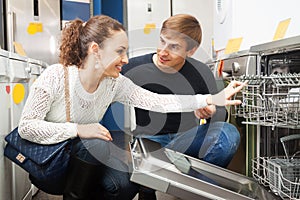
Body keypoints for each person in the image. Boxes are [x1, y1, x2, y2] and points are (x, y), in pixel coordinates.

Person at [18, 15, 245, 200]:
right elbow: (26, 127)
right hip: (51, 160)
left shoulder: (115, 83)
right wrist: (77, 129)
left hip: (90, 156)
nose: (126, 59)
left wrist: (208, 100)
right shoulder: (56, 76)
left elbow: (157, 101)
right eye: (120, 51)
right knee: (94, 141)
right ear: (96, 50)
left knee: (125, 184)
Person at [122, 14, 243, 199]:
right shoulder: (134, 67)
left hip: (186, 140)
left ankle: (195, 191)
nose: (163, 51)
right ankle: (149, 189)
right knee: (142, 179)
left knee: (228, 134)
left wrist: (210, 112)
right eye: (162, 41)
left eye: (174, 47)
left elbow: (220, 112)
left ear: (191, 50)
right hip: (150, 142)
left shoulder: (200, 71)